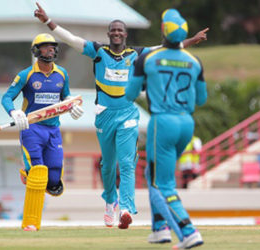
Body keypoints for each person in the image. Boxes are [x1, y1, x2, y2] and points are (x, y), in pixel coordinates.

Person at [34, 2, 208, 229]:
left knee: (127, 163)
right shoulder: (98, 51)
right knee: (108, 165)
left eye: (120, 30)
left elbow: (163, 49)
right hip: (104, 115)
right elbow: (71, 39)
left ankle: (126, 209)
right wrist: (48, 21)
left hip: (128, 113)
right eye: (113, 30)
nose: (116, 33)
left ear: (125, 34)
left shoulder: (136, 54)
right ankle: (110, 203)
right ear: (109, 34)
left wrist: (192, 41)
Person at [125, 9, 207, 249]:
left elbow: (130, 94)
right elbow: (201, 99)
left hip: (163, 123)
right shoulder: (194, 61)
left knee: (161, 184)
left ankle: (187, 231)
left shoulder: (148, 59)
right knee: (156, 176)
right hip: (187, 123)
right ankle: (159, 229)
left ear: (162, 30)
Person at [1, 33, 84, 231]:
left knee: (54, 182)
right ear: (36, 51)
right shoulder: (26, 75)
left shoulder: (62, 74)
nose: (51, 50)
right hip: (31, 129)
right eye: (46, 47)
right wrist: (15, 112)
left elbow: (65, 97)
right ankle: (31, 223)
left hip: (54, 129)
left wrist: (71, 106)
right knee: (39, 173)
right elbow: (6, 98)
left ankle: (26, 174)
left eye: (53, 47)